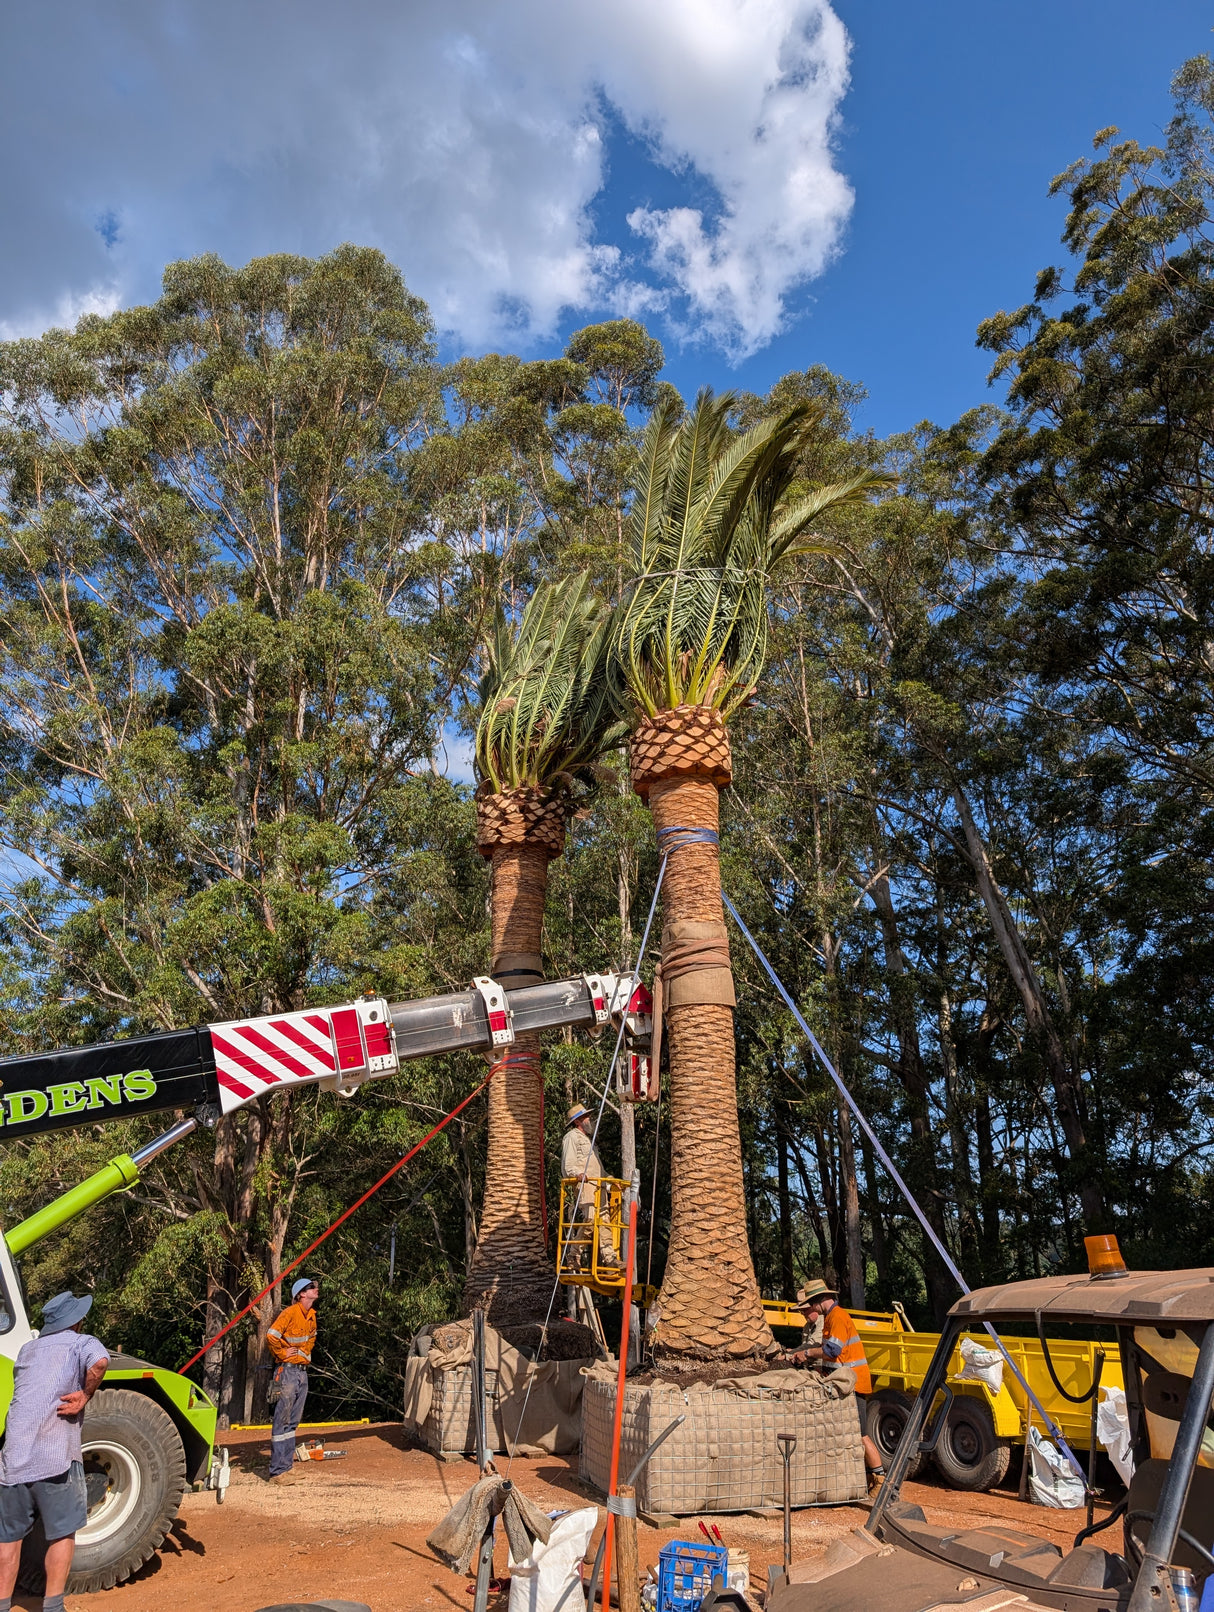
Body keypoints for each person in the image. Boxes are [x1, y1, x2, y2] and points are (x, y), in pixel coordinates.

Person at [0, 1291, 110, 1612]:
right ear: (75, 1322)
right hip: (54, 1458)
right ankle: (53, 1606)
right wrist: (85, 1395)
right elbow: (100, 1362)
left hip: (12, 1460)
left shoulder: (27, 1350)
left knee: (8, 1537)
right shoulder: (81, 1342)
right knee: (62, 1533)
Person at [786, 1279, 885, 1492]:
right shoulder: (830, 1318)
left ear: (821, 1300)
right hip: (845, 1382)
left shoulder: (838, 1317)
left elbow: (832, 1351)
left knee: (860, 1433)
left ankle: (880, 1478)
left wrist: (807, 1353)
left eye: (812, 1302)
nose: (810, 1308)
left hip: (854, 1383)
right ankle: (869, 1478)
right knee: (851, 1432)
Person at [266, 1276, 319, 1483]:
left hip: (301, 1373)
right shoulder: (290, 1313)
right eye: (311, 1287)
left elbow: (311, 1339)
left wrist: (303, 1354)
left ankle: (286, 1466)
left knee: (293, 1422)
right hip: (286, 1372)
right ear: (301, 1294)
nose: (315, 1289)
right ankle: (277, 1471)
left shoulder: (312, 1316)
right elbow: (271, 1335)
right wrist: (282, 1352)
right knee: (283, 1420)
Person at [559, 1104, 620, 1272]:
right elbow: (568, 1164)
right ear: (578, 1121)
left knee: (603, 1221)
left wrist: (610, 1180)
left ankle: (609, 1259)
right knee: (592, 1220)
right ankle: (574, 1254)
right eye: (586, 1117)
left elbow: (598, 1169)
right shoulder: (572, 1137)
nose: (589, 1120)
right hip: (585, 1186)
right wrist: (577, 1174)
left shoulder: (589, 1142)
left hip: (598, 1186)